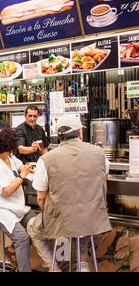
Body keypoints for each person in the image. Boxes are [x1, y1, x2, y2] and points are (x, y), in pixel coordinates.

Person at [27, 115, 112, 272]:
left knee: (35, 228)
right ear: (80, 132)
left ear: (59, 136)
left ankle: (56, 268)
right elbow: (103, 178)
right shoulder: (100, 154)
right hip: (94, 220)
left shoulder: (46, 159)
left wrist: (50, 214)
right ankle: (82, 264)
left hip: (64, 223)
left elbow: (41, 197)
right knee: (81, 229)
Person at [0, 127, 35, 272]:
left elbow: (19, 165)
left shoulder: (7, 157)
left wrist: (26, 167)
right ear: (9, 146)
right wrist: (22, 176)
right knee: (22, 238)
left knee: (39, 227)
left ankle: (11, 250)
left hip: (15, 206)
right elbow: (6, 191)